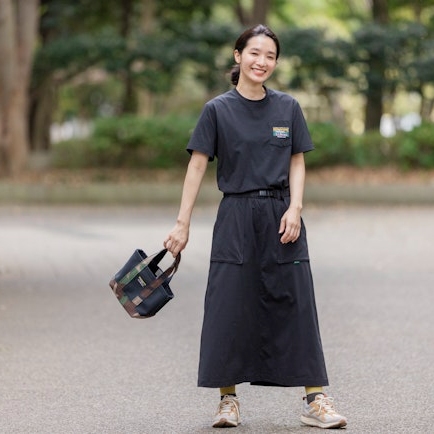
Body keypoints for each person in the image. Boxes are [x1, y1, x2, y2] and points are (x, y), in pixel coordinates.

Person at [164, 24, 347, 430]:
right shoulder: (217, 110)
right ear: (238, 56)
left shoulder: (287, 108)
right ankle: (227, 401)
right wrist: (182, 224)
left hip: (282, 216)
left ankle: (315, 399)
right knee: (229, 306)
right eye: (254, 53)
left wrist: (295, 207)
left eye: (270, 56)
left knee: (297, 304)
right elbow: (197, 166)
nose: (262, 61)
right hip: (236, 216)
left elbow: (297, 159)